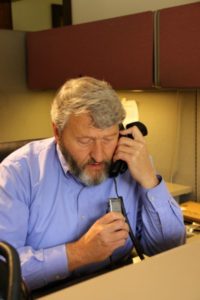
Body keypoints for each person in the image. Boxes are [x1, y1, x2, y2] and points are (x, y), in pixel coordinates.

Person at [0, 76, 185, 291]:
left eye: (108, 139)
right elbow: (4, 271)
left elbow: (170, 250)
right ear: (57, 132)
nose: (98, 155)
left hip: (120, 287)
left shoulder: (130, 163)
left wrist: (149, 180)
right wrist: (78, 253)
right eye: (85, 141)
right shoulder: (17, 173)